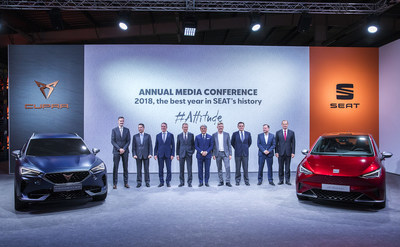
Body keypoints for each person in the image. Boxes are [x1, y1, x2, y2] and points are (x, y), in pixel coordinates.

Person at [111, 116, 131, 189]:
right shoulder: (114, 130)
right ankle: (114, 184)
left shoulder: (127, 130)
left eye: (122, 121)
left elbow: (128, 141)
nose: (121, 122)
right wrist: (119, 149)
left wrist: (124, 149)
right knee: (115, 168)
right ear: (118, 121)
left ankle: (126, 183)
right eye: (120, 121)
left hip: (125, 152)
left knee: (125, 167)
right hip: (116, 151)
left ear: (124, 122)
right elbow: (112, 141)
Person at [231, 122, 252, 186]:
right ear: (238, 127)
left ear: (244, 126)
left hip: (245, 153)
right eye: (239, 126)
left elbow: (249, 142)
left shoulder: (248, 134)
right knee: (237, 168)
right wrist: (237, 148)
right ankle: (237, 180)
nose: (241, 127)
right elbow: (232, 142)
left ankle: (246, 181)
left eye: (242, 126)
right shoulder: (235, 134)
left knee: (245, 168)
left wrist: (244, 148)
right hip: (237, 153)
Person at [132, 123, 153, 188]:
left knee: (146, 169)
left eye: (141, 127)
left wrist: (150, 154)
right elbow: (133, 147)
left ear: (143, 128)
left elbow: (150, 145)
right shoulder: (135, 136)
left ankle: (147, 182)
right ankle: (139, 182)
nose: (139, 129)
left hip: (146, 155)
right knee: (139, 169)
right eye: (138, 127)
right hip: (138, 155)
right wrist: (134, 154)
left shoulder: (148, 136)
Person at [275, 120, 296, 185]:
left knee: (287, 168)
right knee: (280, 167)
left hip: (288, 152)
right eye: (283, 124)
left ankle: (287, 180)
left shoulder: (291, 132)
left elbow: (293, 143)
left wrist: (293, 152)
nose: (285, 125)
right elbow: (276, 143)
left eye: (286, 124)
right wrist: (276, 152)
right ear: (281, 124)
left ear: (288, 124)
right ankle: (281, 180)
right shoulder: (278, 132)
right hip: (280, 153)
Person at [154, 122, 175, 187]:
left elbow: (173, 145)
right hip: (160, 155)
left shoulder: (170, 135)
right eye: (162, 126)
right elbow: (156, 145)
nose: (163, 127)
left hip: (168, 155)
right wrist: (155, 154)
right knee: (160, 169)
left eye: (164, 126)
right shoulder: (158, 135)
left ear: (166, 127)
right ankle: (161, 182)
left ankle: (168, 182)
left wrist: (172, 154)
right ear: (161, 127)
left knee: (169, 169)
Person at [212, 122, 232, 187]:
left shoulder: (227, 134)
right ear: (217, 127)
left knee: (227, 167)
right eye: (219, 126)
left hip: (225, 153)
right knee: (219, 168)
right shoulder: (214, 135)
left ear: (223, 127)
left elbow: (229, 145)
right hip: (217, 154)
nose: (220, 127)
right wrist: (213, 154)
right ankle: (221, 181)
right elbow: (213, 145)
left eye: (221, 126)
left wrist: (230, 154)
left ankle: (228, 181)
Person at [176, 123, 195, 187]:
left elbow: (193, 145)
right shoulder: (179, 135)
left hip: (189, 154)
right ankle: (182, 182)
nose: (185, 128)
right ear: (182, 128)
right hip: (181, 154)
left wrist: (192, 152)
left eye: (186, 127)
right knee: (181, 169)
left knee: (189, 169)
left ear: (188, 128)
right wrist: (177, 154)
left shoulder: (191, 135)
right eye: (184, 127)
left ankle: (189, 182)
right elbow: (178, 145)